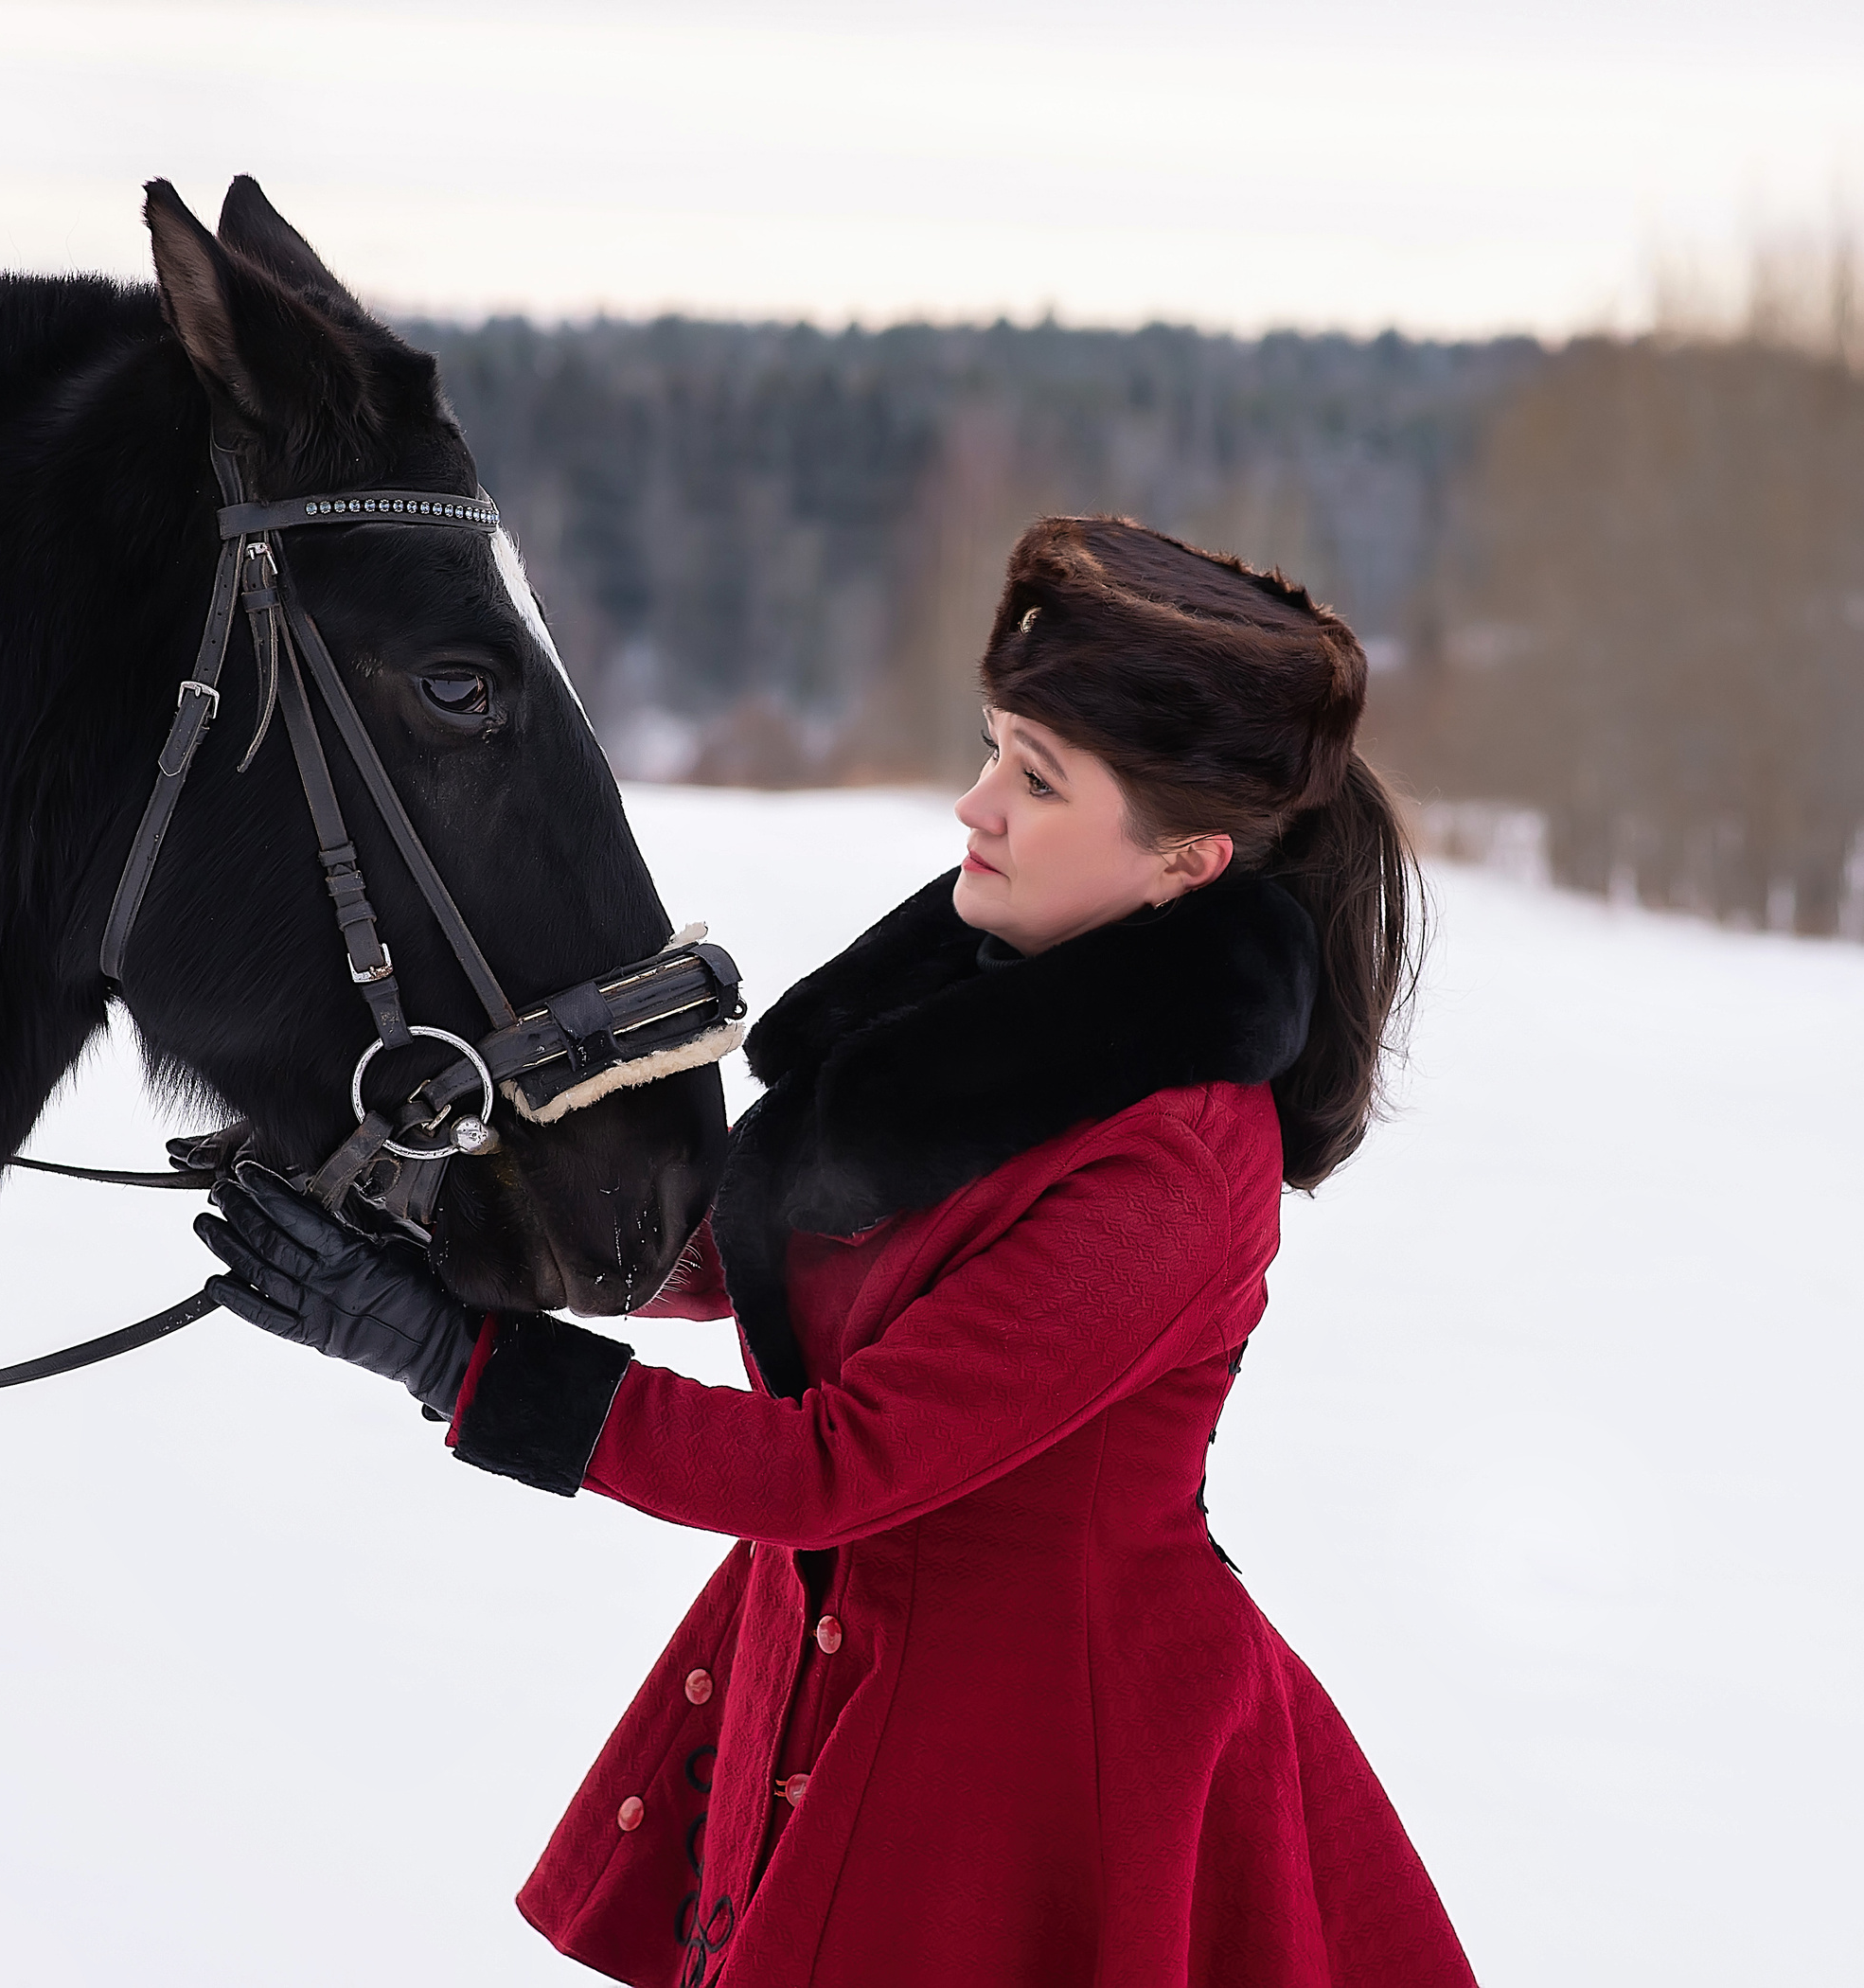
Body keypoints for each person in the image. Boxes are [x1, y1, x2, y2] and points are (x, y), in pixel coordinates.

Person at [196, 516, 1478, 1987]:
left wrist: (454, 1361)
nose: (973, 807)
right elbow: (763, 1255)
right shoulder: (975, 1020)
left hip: (1031, 1757)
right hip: (829, 1659)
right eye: (996, 746)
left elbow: (835, 1466)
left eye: (1039, 781)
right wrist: (439, 1223)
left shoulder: (1177, 1161)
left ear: (1187, 861)